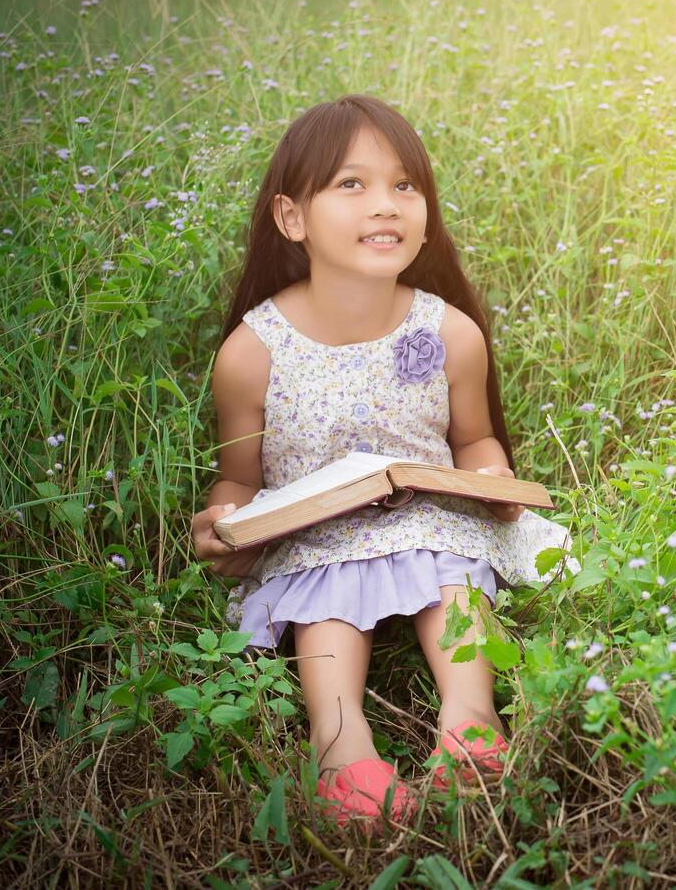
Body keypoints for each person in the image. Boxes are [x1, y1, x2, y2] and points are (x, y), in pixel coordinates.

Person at [187, 94, 572, 834]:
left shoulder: (447, 331)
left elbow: (474, 440)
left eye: (405, 185)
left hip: (430, 516)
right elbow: (240, 477)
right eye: (351, 185)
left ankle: (471, 720)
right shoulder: (253, 351)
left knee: (453, 579)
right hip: (317, 530)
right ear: (292, 218)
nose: (386, 205)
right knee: (322, 605)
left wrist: (490, 481)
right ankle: (341, 745)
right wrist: (227, 520)